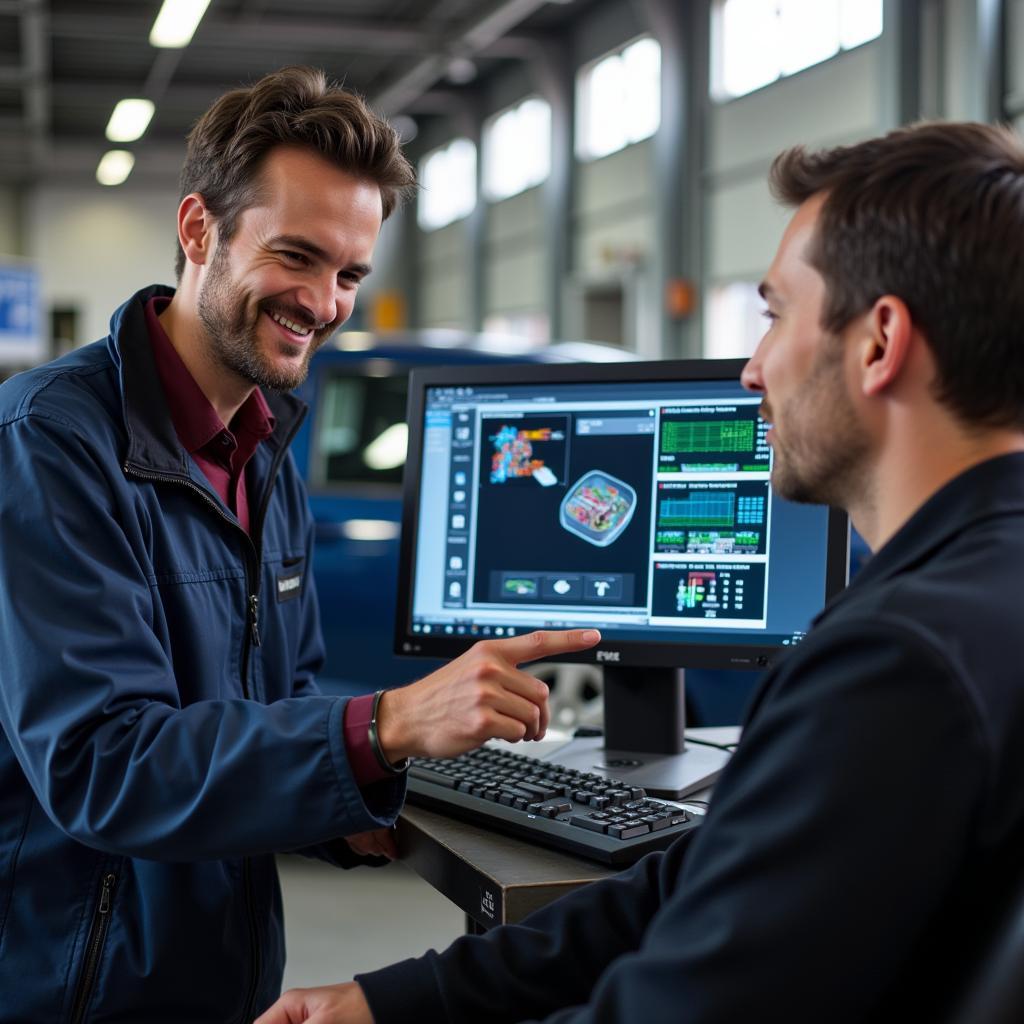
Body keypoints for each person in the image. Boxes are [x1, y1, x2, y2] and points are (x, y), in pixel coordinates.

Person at [257, 119, 1024, 1024]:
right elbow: (697, 886)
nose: (751, 369)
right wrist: (397, 1003)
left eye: (775, 316)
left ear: (878, 341)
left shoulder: (896, 664)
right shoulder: (978, 605)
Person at [0, 66, 599, 1023]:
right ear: (199, 230)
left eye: (350, 274)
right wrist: (382, 726)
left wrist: (351, 794)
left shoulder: (266, 443)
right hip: (79, 984)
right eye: (298, 257)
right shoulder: (50, 444)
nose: (323, 302)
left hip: (220, 975)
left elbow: (276, 702)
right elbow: (102, 763)